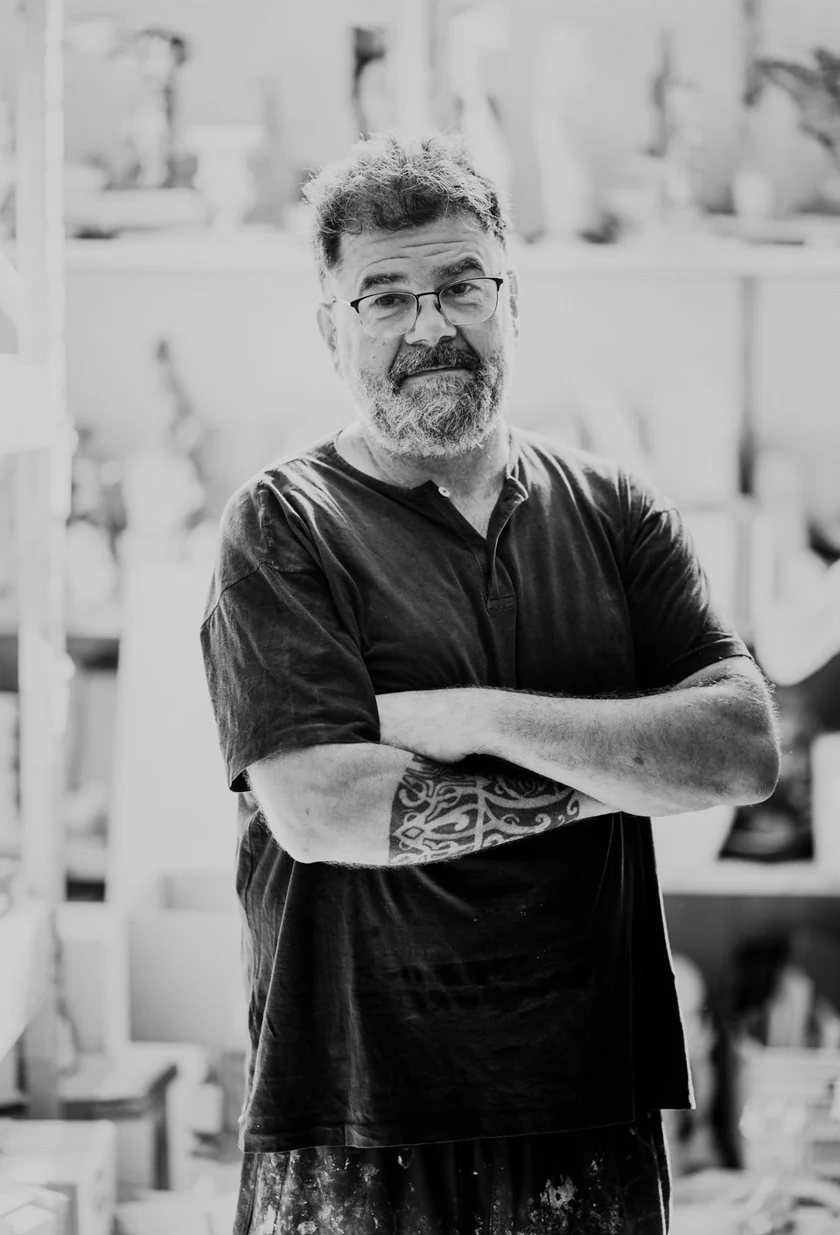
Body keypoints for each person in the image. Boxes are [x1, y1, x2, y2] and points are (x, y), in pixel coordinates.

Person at [200, 132, 780, 1235]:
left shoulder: (616, 513)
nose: (431, 326)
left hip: (589, 1102)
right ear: (332, 329)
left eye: (462, 285)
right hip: (357, 1116)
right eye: (386, 297)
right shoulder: (283, 527)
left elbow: (742, 750)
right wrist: (627, 771)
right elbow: (323, 810)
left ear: (513, 299)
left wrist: (471, 718)